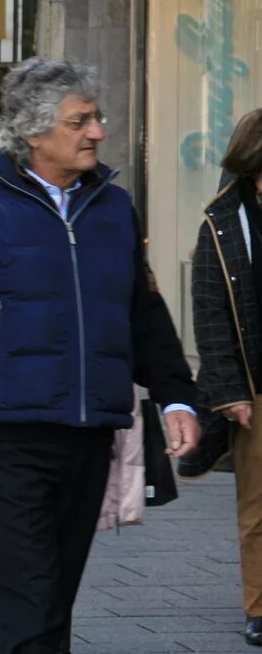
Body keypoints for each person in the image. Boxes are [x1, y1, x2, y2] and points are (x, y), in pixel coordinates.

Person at [0, 58, 200, 654]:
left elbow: (142, 312)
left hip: (89, 432)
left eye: (96, 117)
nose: (97, 132)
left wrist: (175, 395)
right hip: (5, 435)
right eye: (80, 121)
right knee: (32, 604)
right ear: (35, 134)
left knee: (52, 599)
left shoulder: (113, 209)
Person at [191, 108, 262, 647]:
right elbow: (210, 313)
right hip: (255, 386)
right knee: (258, 506)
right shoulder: (223, 222)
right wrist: (228, 390)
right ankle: (259, 607)